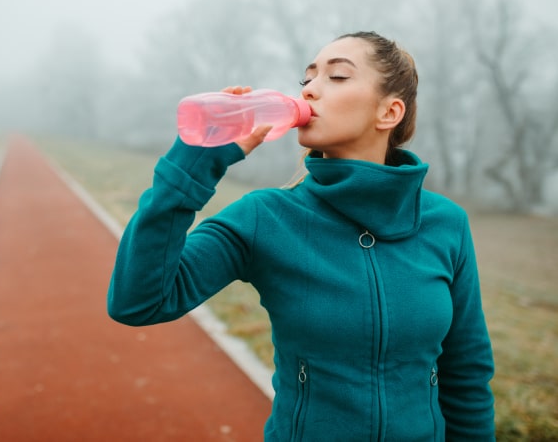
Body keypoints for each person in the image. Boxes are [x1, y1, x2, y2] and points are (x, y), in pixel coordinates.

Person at [107, 31, 495, 440]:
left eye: (337, 77)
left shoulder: (446, 223)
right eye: (307, 78)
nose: (309, 90)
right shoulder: (266, 217)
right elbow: (139, 302)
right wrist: (195, 161)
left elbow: (465, 371)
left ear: (389, 113)